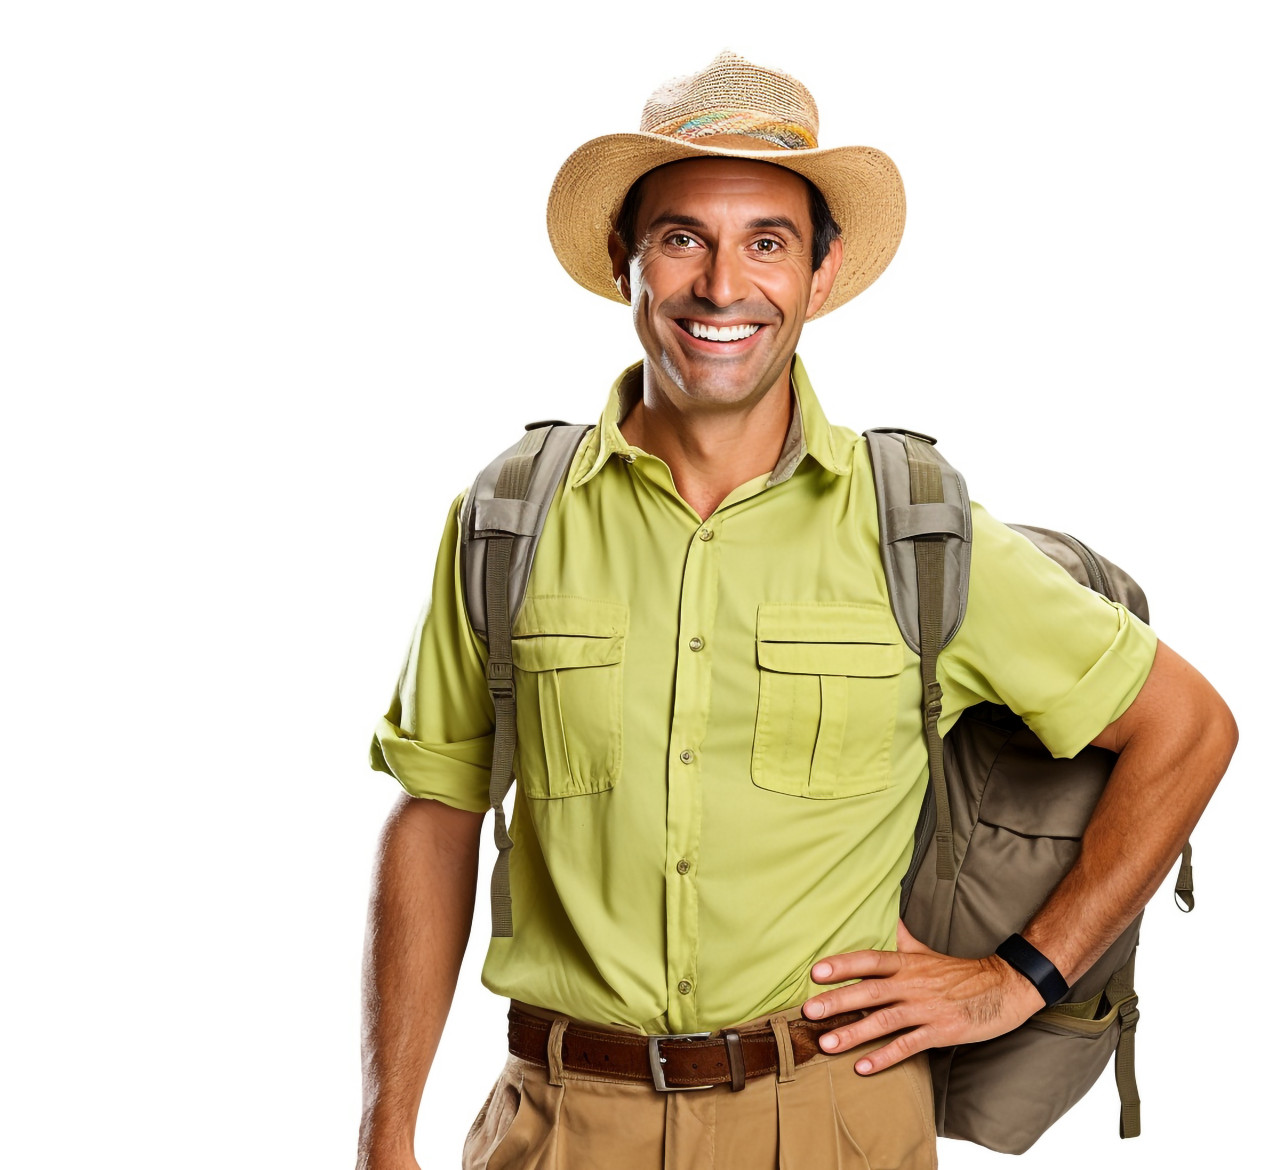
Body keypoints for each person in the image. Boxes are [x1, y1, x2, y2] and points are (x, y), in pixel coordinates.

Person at [355, 51, 1237, 1170]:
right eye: (682, 238)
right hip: (561, 1123)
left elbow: (1186, 727)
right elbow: (436, 813)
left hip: (829, 1121)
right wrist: (385, 1133)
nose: (722, 286)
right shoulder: (508, 518)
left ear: (821, 275)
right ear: (624, 260)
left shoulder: (917, 529)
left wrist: (1018, 978)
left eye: (767, 242)